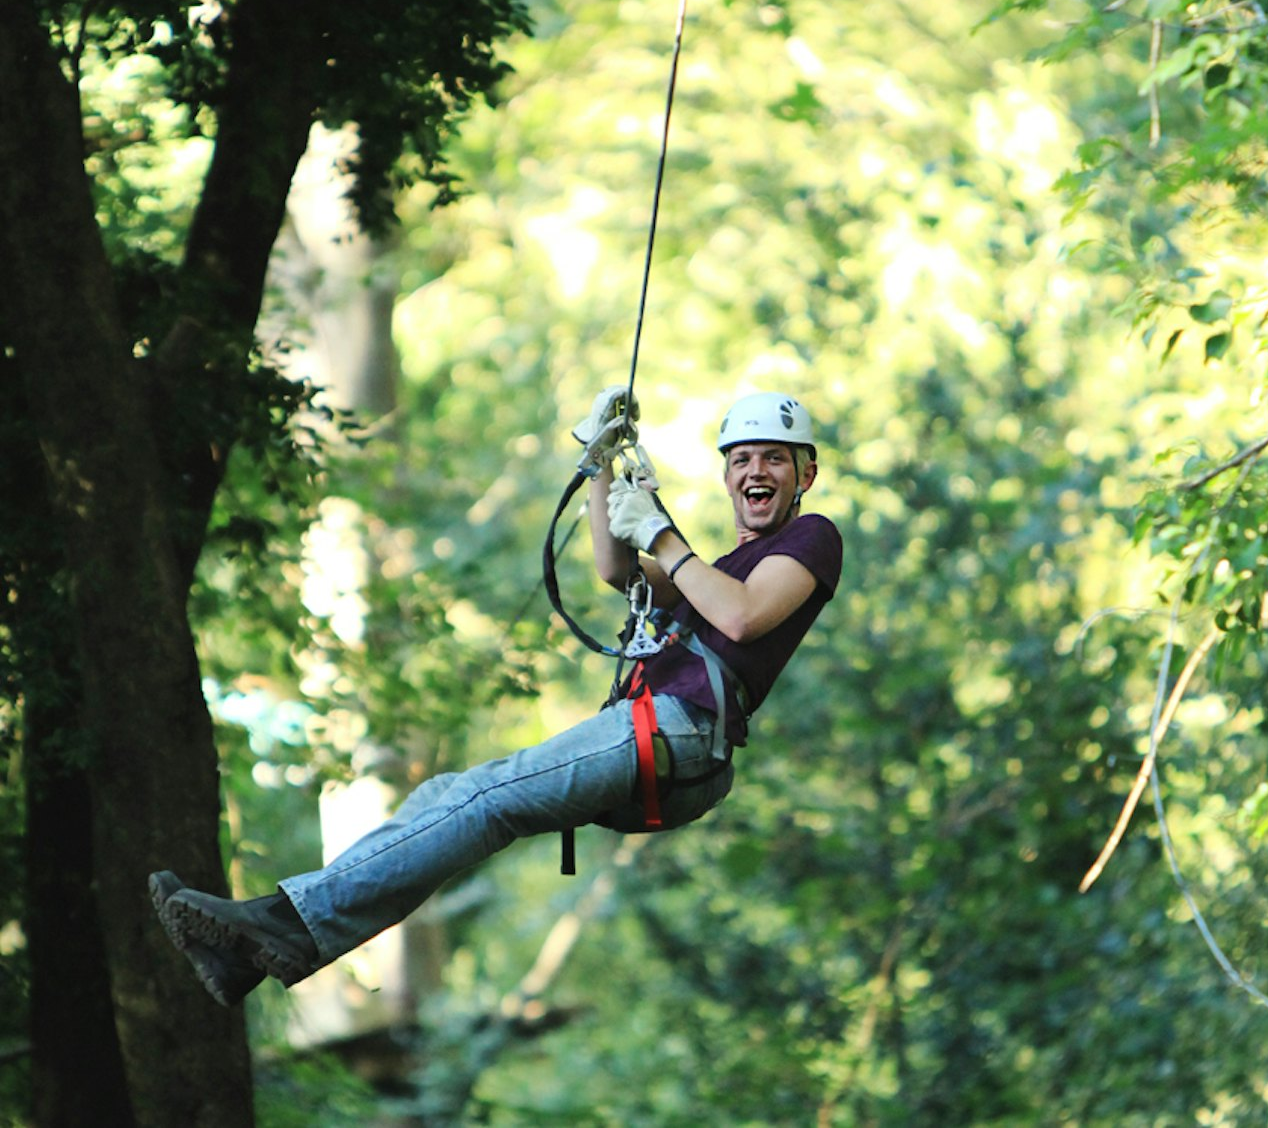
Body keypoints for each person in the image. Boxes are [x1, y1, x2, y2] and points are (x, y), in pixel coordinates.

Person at [150, 391, 843, 1006]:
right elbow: (617, 570)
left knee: (485, 797)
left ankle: (278, 924)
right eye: (743, 459)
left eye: (776, 460)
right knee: (451, 802)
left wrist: (663, 531)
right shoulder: (715, 568)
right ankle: (268, 949)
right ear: (726, 476)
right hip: (650, 735)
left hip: (678, 732)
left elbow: (744, 617)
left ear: (805, 475)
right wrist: (602, 466)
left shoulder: (813, 539)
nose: (757, 471)